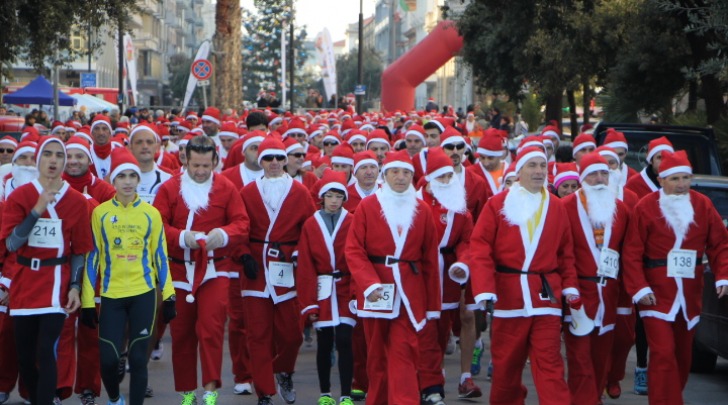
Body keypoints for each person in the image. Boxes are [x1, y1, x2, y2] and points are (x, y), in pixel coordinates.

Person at [469, 146, 580, 405]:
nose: (539, 171)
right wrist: (484, 288)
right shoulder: (497, 204)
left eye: (543, 165)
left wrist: (570, 287)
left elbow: (566, 252)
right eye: (532, 166)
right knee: (506, 369)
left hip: (546, 297)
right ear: (519, 171)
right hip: (510, 297)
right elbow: (480, 246)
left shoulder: (556, 206)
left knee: (550, 365)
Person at [622, 150, 728, 405]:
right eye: (675, 179)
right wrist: (639, 288)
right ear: (661, 180)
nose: (681, 185)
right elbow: (632, 252)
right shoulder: (646, 206)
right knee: (663, 353)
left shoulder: (702, 205)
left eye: (686, 178)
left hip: (690, 294)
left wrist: (723, 276)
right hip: (655, 294)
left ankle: (671, 397)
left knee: (682, 357)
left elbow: (720, 244)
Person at [154, 135, 250, 405]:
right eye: (195, 165)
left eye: (206, 165)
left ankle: (210, 389)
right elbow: (157, 224)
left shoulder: (226, 188)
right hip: (179, 271)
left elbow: (242, 223)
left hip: (214, 270)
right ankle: (187, 392)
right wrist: (182, 237)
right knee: (182, 332)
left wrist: (225, 233)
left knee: (211, 328)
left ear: (215, 162)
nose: (200, 171)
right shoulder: (170, 188)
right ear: (185, 160)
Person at [1, 136, 93, 405]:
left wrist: (76, 287)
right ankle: (34, 395)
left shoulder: (76, 201)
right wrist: (36, 210)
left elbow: (79, 250)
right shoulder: (20, 196)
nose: (53, 160)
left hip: (56, 283)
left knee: (46, 350)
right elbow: (12, 242)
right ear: (38, 159)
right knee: (25, 356)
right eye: (48, 154)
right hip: (24, 281)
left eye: (59, 156)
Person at [81, 147, 176, 405]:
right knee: (109, 360)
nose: (127, 181)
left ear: (138, 180)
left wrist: (169, 295)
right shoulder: (100, 213)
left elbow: (160, 256)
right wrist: (88, 301)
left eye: (132, 176)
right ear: (113, 180)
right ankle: (114, 397)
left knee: (137, 359)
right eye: (121, 176)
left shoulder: (150, 213)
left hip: (143, 294)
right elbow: (93, 258)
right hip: (111, 296)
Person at [345, 150, 441, 405]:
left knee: (404, 352)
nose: (401, 178)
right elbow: (354, 250)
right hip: (376, 292)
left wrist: (432, 306)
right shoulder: (367, 206)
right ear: (384, 174)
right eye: (395, 172)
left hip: (410, 293)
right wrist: (368, 284)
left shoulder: (422, 210)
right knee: (376, 358)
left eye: (406, 173)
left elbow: (430, 260)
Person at [240, 136, 317, 405]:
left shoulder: (300, 192)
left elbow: (310, 231)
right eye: (268, 158)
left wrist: (298, 255)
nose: (274, 163)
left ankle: (284, 370)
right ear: (260, 161)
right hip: (256, 272)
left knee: (292, 334)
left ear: (286, 160)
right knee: (258, 334)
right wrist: (243, 255)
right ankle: (265, 391)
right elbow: (239, 227)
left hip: (287, 270)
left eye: (279, 158)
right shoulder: (247, 192)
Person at [561, 152, 630, 405]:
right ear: (582, 178)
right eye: (593, 174)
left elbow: (628, 256)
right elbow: (561, 252)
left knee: (601, 360)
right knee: (580, 361)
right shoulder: (565, 207)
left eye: (604, 173)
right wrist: (568, 290)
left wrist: (626, 300)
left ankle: (593, 397)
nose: (600, 178)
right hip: (578, 294)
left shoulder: (621, 209)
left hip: (609, 295)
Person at [416, 148, 482, 403]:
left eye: (449, 175)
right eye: (441, 176)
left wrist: (463, 264)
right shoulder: (415, 201)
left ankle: (433, 382)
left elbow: (468, 240)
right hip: (420, 273)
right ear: (430, 177)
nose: (446, 180)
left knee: (442, 329)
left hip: (448, 274)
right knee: (423, 330)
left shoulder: (459, 206)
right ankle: (429, 385)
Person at [297, 170, 356, 405]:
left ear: (344, 198)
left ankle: (345, 394)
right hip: (321, 288)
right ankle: (324, 393)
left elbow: (357, 258)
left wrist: (355, 294)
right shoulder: (311, 224)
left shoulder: (352, 221)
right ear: (322, 197)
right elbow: (305, 265)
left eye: (338, 196)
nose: (334, 201)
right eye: (330, 196)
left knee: (344, 338)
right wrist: (309, 301)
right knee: (324, 342)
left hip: (344, 287)